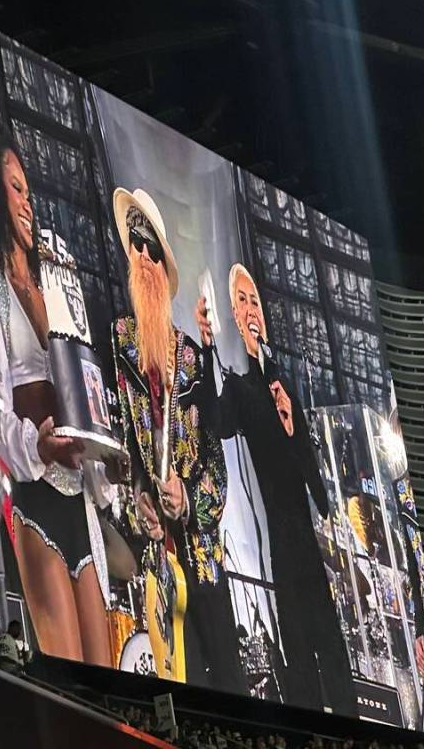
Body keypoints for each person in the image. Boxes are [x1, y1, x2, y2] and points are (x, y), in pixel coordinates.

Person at [0, 120, 110, 666]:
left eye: (29, 190)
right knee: (72, 681)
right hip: (36, 490)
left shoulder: (55, 273)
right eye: (15, 187)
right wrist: (37, 446)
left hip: (80, 491)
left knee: (108, 680)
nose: (27, 202)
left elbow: (85, 376)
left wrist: (104, 450)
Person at [199, 264, 356, 714]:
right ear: (234, 313)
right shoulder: (242, 386)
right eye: (242, 302)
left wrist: (292, 428)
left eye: (255, 302)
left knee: (329, 639)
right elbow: (220, 422)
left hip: (307, 539)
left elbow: (310, 470)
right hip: (275, 541)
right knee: (296, 645)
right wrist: (208, 347)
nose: (251, 311)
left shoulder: (282, 382)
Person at [109, 188, 246, 694]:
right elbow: (113, 449)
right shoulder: (118, 343)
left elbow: (218, 463)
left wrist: (189, 499)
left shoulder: (192, 357)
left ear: (166, 269)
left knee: (222, 686)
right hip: (151, 562)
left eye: (151, 248)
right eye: (135, 246)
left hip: (202, 559)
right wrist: (136, 502)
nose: (142, 257)